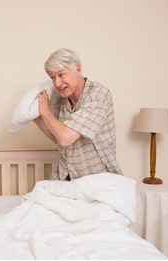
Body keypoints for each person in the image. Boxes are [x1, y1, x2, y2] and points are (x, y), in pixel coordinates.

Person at [33, 48, 122, 181]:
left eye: (61, 75)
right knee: (37, 197)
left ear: (78, 70)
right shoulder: (59, 99)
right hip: (65, 175)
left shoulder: (98, 95)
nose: (57, 83)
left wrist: (45, 112)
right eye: (53, 77)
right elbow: (59, 139)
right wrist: (37, 116)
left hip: (98, 177)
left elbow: (65, 138)